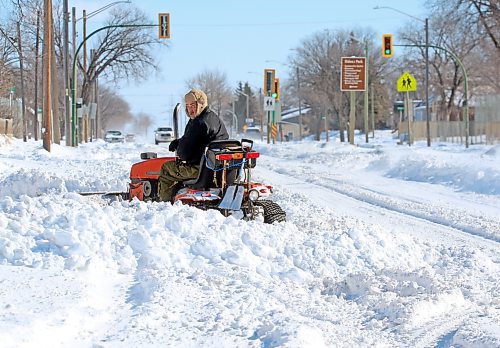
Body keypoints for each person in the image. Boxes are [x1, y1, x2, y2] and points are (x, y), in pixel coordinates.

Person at [158, 88, 229, 202]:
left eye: (193, 105)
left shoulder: (198, 123)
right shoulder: (213, 118)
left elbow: (184, 154)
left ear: (200, 104)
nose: (190, 109)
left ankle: (165, 204)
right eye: (188, 106)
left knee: (167, 169)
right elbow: (196, 140)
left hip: (201, 170)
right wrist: (179, 142)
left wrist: (179, 147)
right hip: (219, 168)